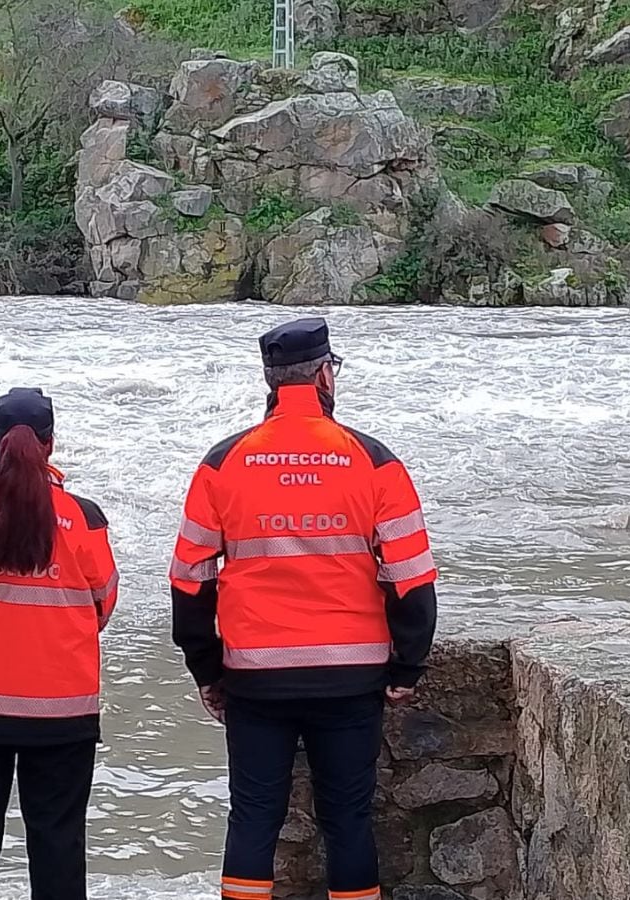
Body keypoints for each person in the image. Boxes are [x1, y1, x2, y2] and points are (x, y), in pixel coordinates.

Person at [169, 318, 439, 900]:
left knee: (252, 820)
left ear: (270, 379)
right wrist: (407, 666)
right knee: (348, 822)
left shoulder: (223, 463)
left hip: (256, 680)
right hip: (351, 678)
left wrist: (207, 670)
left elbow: (190, 582)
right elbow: (411, 578)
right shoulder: (374, 460)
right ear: (324, 375)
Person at [0, 387, 119, 900]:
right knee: (57, 844)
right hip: (60, 711)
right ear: (50, 444)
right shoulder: (85, 518)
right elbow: (101, 605)